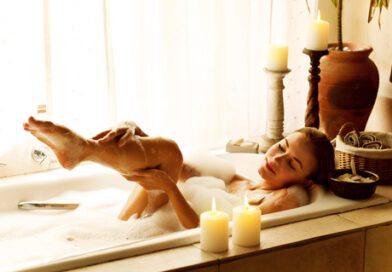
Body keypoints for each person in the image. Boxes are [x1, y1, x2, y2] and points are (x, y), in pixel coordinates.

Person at [23, 116, 335, 229]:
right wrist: (137, 133)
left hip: (144, 227)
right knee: (162, 147)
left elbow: (210, 232)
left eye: (291, 163)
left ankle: (84, 150)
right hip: (133, 226)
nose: (276, 158)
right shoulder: (238, 179)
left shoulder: (286, 199)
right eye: (281, 146)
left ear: (306, 180)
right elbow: (175, 165)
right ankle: (85, 149)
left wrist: (171, 188)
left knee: (169, 152)